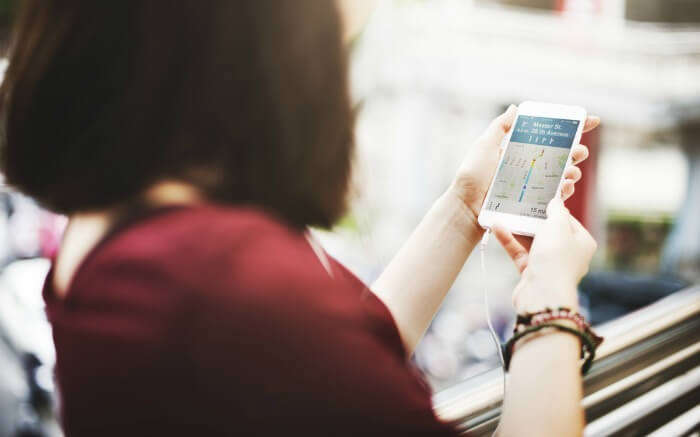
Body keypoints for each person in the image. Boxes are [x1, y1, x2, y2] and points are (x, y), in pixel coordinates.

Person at [0, 1, 600, 436]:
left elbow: (330, 364)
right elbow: (306, 344)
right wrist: (550, 303)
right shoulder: (217, 271)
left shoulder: (119, 225)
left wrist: (464, 208)